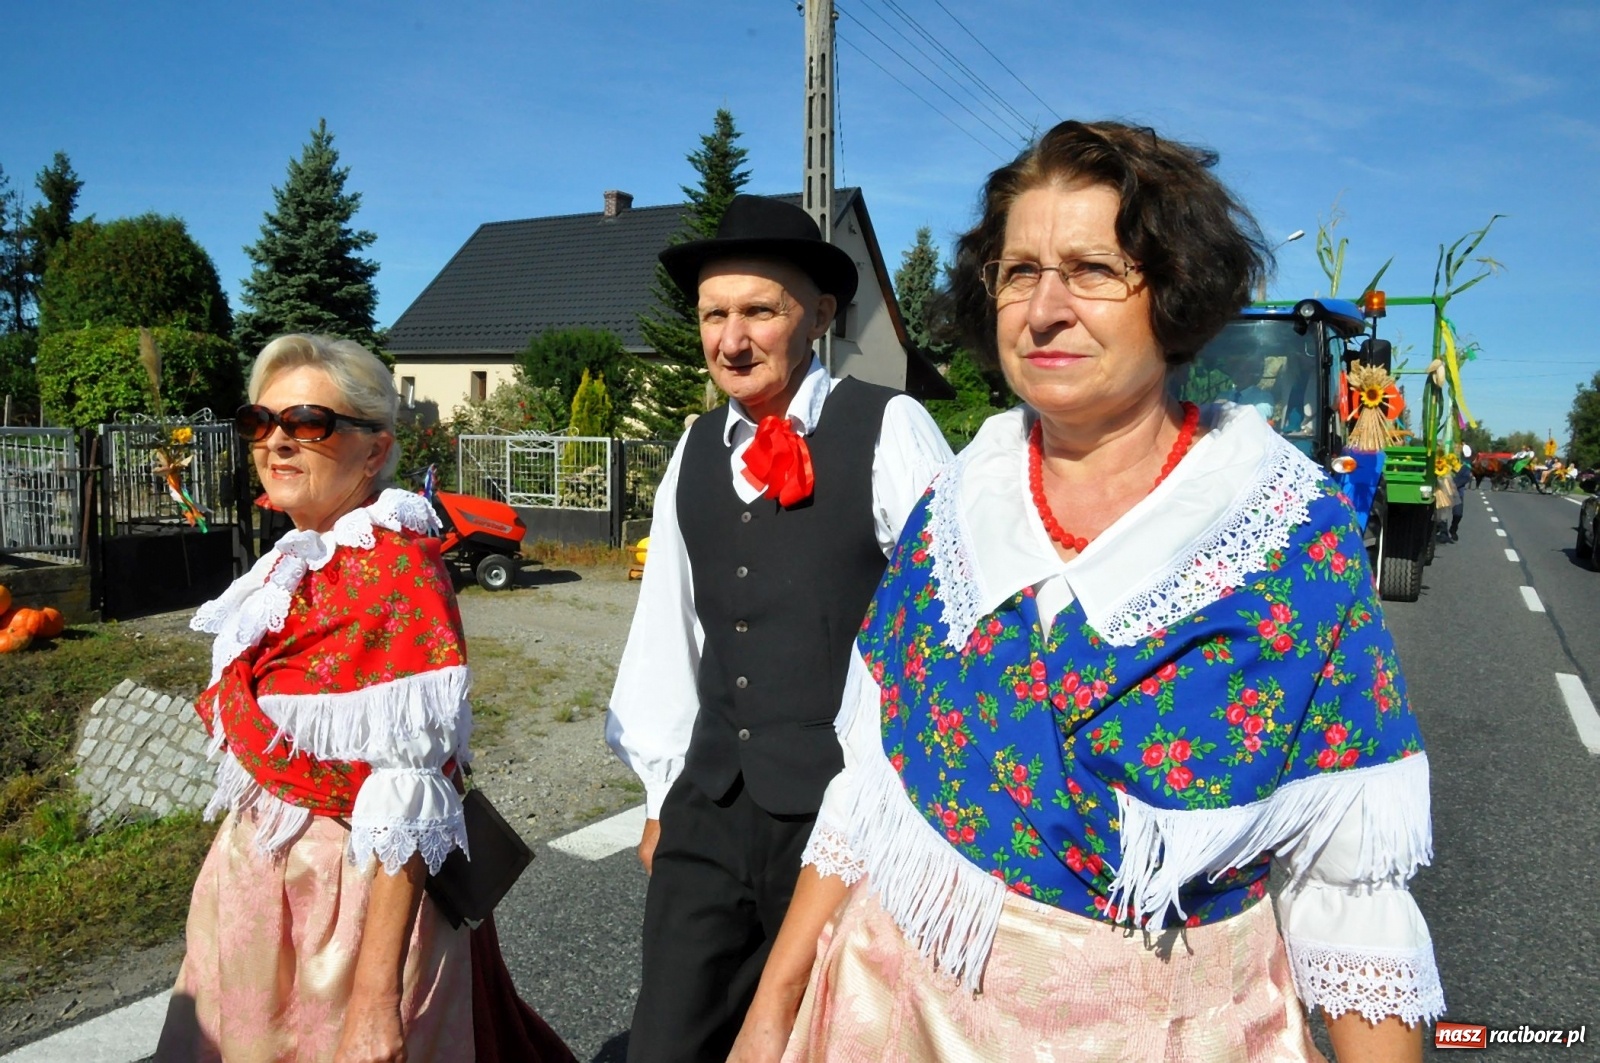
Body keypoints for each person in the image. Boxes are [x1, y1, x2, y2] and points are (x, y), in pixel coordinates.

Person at [730, 121, 1443, 1062]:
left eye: (1094, 269)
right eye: (1019, 271)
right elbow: (875, 793)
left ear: (1177, 289)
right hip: (900, 1012)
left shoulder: (1287, 536)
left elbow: (1347, 885)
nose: (1043, 309)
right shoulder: (957, 509)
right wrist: (773, 1005)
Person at [156, 335, 572, 1063]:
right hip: (264, 896)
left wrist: (377, 1003)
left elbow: (410, 788)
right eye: (262, 422)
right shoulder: (293, 559)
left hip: (350, 905)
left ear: (374, 451)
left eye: (309, 422)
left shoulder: (397, 569)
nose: (278, 441)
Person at [605, 195, 952, 1063]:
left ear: (822, 313)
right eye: (713, 315)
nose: (731, 339)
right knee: (667, 1040)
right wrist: (660, 797)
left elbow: (951, 627)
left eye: (759, 310)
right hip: (712, 806)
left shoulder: (888, 426)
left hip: (843, 811)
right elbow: (668, 629)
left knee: (822, 1041)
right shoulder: (692, 447)